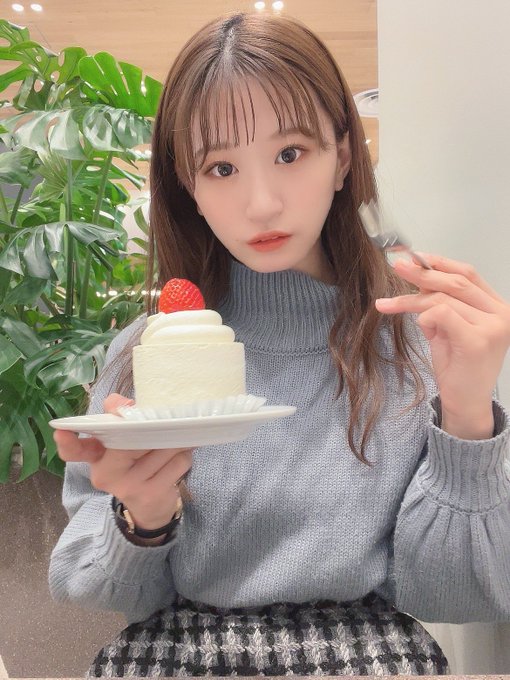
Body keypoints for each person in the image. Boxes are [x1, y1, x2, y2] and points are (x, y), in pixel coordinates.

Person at [49, 11, 510, 678]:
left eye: (290, 154)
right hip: (178, 657)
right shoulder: (150, 354)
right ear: (189, 186)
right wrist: (140, 518)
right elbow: (97, 589)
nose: (261, 203)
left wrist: (467, 418)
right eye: (221, 167)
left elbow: (457, 596)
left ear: (342, 158)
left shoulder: (418, 344)